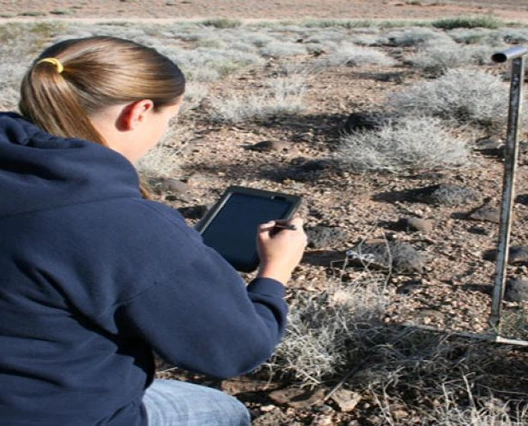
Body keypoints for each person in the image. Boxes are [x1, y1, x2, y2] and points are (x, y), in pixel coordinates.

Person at [0, 36, 307, 426]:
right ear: (138, 112)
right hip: (62, 413)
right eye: (169, 119)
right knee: (224, 411)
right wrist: (274, 274)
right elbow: (235, 350)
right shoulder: (118, 223)